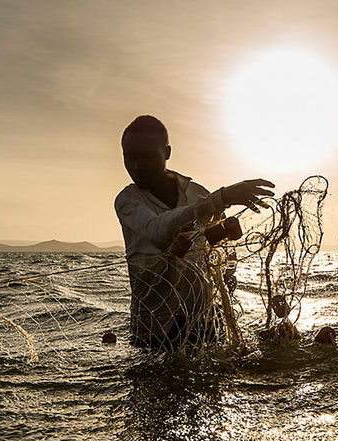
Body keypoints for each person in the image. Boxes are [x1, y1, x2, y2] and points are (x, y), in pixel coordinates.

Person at [115, 115, 274, 347]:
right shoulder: (127, 201)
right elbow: (157, 231)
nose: (137, 165)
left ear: (167, 153)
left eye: (147, 157)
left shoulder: (197, 193)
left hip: (204, 322)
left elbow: (223, 249)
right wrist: (222, 197)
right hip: (154, 329)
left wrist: (228, 278)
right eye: (129, 157)